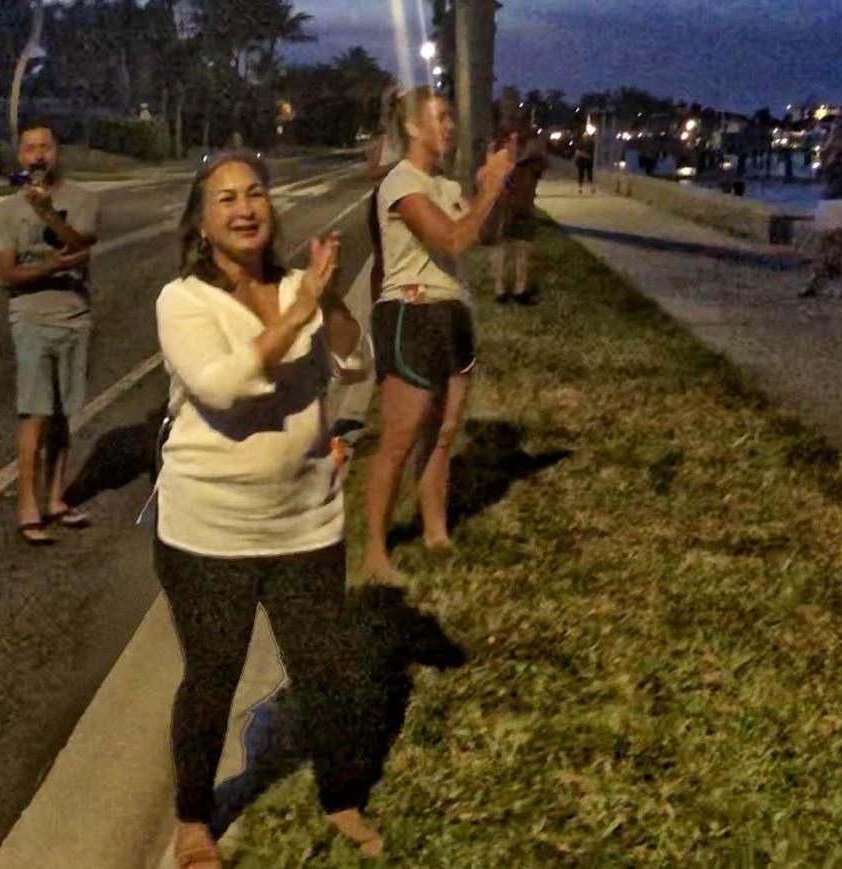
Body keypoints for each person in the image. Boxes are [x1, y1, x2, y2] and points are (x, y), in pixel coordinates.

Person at [153, 151, 380, 867]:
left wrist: (330, 299)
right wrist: (298, 315)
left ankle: (342, 796)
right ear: (201, 221)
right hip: (206, 530)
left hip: (304, 520)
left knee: (327, 669)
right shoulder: (182, 300)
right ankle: (194, 819)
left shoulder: (296, 287)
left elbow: (356, 364)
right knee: (211, 679)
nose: (244, 207)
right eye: (225, 199)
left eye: (254, 193)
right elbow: (223, 387)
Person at [362, 86, 516, 582]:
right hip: (412, 314)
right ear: (411, 126)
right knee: (400, 439)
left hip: (453, 314)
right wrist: (488, 192)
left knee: (444, 434)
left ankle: (436, 532)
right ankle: (376, 552)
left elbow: (479, 234)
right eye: (441, 117)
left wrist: (493, 186)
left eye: (451, 117)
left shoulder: (446, 187)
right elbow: (450, 237)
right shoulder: (401, 184)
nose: (449, 126)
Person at [0, 127, 98, 545]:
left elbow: (83, 246)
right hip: (30, 318)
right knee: (32, 414)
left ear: (57, 153)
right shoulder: (6, 211)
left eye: (46, 148)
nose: (38, 155)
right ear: (20, 156)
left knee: (63, 414)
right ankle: (27, 507)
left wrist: (49, 213)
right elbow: (7, 274)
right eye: (30, 148)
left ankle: (55, 498)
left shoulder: (83, 200)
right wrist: (54, 268)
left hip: (75, 316)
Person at [331, 84, 404, 447]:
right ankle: (354, 411)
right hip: (384, 238)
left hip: (405, 246)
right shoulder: (389, 140)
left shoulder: (419, 141)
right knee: (366, 325)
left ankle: (378, 405)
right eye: (393, 105)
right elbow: (373, 169)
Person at [800, 117, 842, 299]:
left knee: (828, 244)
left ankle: (816, 283)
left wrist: (833, 149)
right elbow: (825, 171)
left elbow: (824, 172)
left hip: (836, 199)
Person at [491, 114, 548, 304]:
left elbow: (540, 167)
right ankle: (501, 289)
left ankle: (519, 289)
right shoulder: (498, 151)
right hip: (504, 206)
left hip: (523, 206)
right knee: (503, 248)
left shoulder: (532, 156)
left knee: (522, 248)